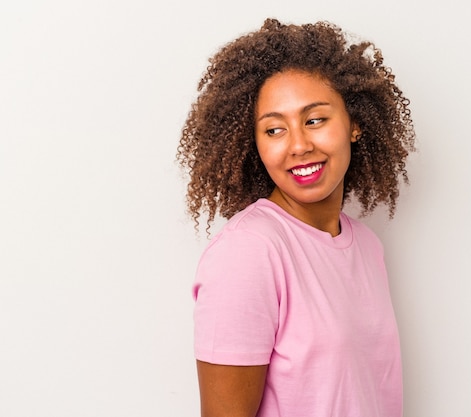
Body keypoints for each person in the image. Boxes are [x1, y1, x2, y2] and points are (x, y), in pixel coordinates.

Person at [177, 17, 415, 417]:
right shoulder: (249, 252)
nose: (299, 145)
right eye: (274, 130)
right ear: (252, 143)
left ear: (354, 123)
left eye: (315, 120)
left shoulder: (367, 246)